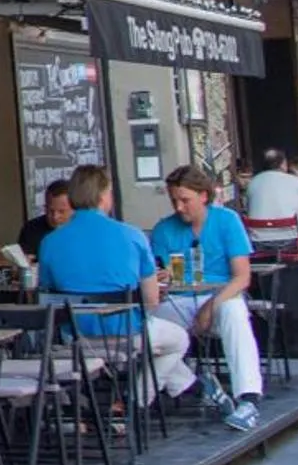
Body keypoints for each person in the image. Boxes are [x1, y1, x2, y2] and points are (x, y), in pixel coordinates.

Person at [37, 165, 198, 404]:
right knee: (178, 340)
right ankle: (137, 400)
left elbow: (48, 294)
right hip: (126, 333)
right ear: (104, 195)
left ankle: (189, 388)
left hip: (74, 338)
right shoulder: (132, 235)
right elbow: (151, 300)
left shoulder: (49, 242)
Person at [152, 166, 265, 432]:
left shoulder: (227, 220)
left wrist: (210, 306)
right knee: (141, 326)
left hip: (220, 295)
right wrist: (160, 279)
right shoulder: (163, 230)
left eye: (185, 200)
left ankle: (248, 398)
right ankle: (193, 384)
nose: (179, 207)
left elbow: (241, 278)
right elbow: (155, 281)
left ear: (204, 196)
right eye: (174, 200)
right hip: (178, 300)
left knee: (235, 312)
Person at [243, 148, 298, 253]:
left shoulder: (253, 182)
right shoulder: (295, 181)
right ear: (283, 164)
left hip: (258, 241)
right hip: (292, 240)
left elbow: (248, 211)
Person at [17, 178, 73, 260]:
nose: (55, 216)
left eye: (61, 211)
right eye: (50, 210)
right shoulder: (31, 229)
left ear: (74, 209)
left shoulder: (85, 230)